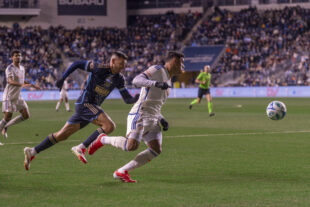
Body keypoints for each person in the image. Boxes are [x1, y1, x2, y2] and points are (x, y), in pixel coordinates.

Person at [23, 51, 139, 170]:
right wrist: (63, 78)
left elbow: (127, 98)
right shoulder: (99, 68)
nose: (123, 67)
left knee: (61, 135)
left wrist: (136, 99)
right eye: (121, 64)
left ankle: (32, 152)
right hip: (85, 104)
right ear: (113, 62)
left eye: (124, 64)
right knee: (109, 126)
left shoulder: (119, 79)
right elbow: (77, 64)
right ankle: (81, 147)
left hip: (90, 107)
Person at [87, 51, 184, 183]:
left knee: (155, 149)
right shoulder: (158, 69)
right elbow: (136, 80)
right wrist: (155, 83)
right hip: (140, 115)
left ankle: (122, 171)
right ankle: (103, 139)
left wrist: (162, 119)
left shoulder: (169, 80)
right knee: (130, 146)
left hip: (153, 118)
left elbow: (154, 102)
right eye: (180, 62)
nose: (182, 65)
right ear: (173, 62)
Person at [0, 49, 40, 141]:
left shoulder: (22, 68)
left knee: (26, 115)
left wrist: (32, 85)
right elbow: (9, 81)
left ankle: (5, 127)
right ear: (12, 57)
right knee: (7, 117)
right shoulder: (9, 68)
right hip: (8, 96)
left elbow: (22, 80)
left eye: (19, 55)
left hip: (18, 96)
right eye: (16, 55)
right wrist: (23, 85)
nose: (18, 57)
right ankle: (4, 125)